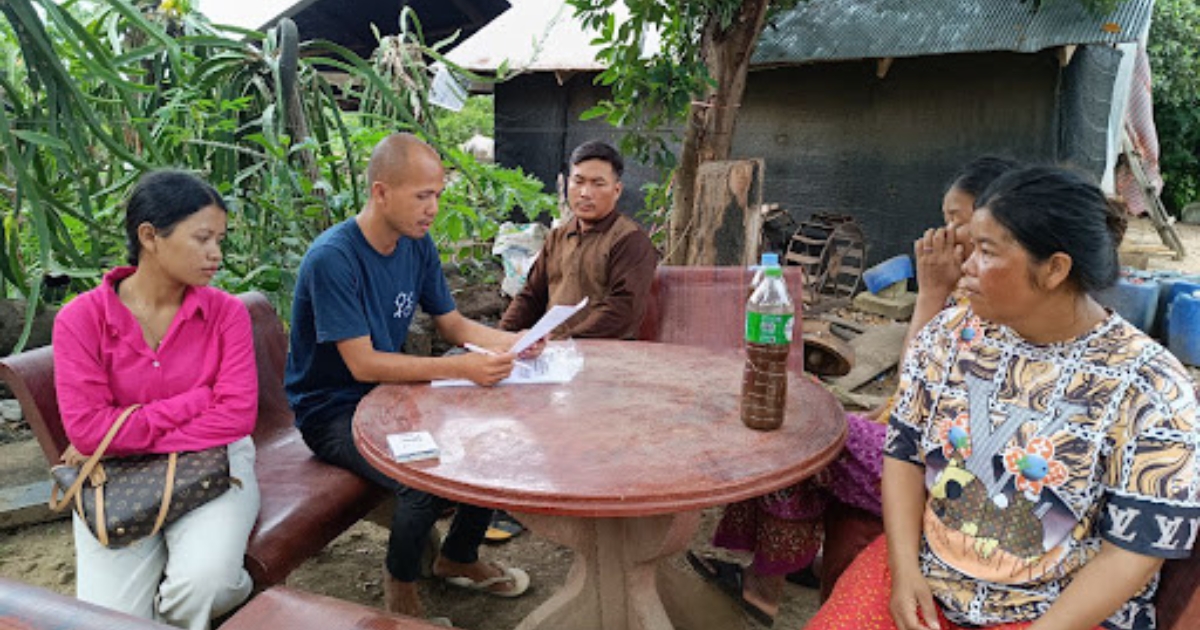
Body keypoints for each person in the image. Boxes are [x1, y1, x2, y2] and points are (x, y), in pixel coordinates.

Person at [806, 166, 1199, 630]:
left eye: (986, 251)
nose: (966, 265)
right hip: (931, 580)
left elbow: (1134, 550)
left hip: (1060, 613)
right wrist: (905, 572)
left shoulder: (1150, 386)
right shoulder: (950, 336)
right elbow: (903, 453)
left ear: (1055, 268)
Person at [687, 157, 1021, 627]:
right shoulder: (967, 290)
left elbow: (915, 387)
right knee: (792, 415)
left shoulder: (999, 299)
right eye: (944, 218)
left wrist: (929, 294)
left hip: (936, 464)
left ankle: (764, 592)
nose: (942, 233)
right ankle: (785, 570)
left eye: (957, 222)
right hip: (909, 437)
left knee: (801, 439)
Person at [285, 133, 533, 622]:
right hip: (332, 409)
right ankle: (400, 595)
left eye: (438, 194)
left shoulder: (415, 245)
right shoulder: (334, 258)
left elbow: (453, 325)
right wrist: (462, 366)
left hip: (387, 394)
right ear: (381, 193)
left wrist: (517, 342)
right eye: (423, 195)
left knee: (488, 440)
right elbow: (364, 364)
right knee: (421, 477)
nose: (433, 208)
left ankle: (457, 556)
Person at [53, 170, 260, 630]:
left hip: (214, 463)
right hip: (116, 479)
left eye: (220, 239)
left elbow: (237, 416)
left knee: (205, 585)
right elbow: (88, 431)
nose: (216, 254)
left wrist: (119, 433)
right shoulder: (81, 320)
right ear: (149, 236)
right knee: (108, 622)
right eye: (202, 238)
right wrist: (196, 400)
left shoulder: (226, 314)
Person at [499, 140, 657, 340]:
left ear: (617, 190)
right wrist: (500, 336)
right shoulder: (557, 237)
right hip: (553, 353)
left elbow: (623, 309)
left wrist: (565, 340)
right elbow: (531, 297)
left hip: (606, 357)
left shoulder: (630, 240)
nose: (585, 193)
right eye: (578, 181)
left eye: (598, 184)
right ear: (567, 184)